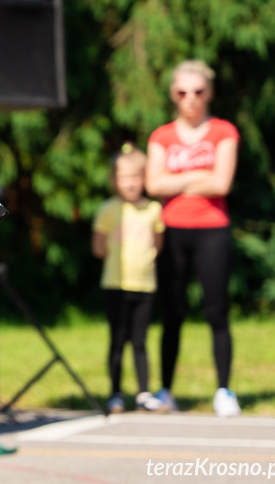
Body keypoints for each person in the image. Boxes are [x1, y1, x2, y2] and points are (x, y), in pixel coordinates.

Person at [145, 60, 241, 417]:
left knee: (216, 311)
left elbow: (223, 183)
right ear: (173, 95)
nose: (191, 99)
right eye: (183, 92)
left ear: (209, 93)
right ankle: (167, 389)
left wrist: (179, 179)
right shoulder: (162, 135)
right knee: (172, 312)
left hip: (213, 228)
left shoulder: (224, 131)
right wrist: (201, 175)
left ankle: (225, 390)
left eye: (198, 91)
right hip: (172, 229)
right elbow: (154, 185)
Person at [92, 143, 166, 414]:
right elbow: (98, 248)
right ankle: (115, 394)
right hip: (115, 284)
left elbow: (158, 245)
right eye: (124, 177)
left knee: (140, 340)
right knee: (118, 339)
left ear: (144, 178)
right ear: (115, 180)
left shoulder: (153, 210)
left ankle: (144, 392)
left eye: (136, 177)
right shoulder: (108, 209)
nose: (130, 183)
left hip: (145, 284)